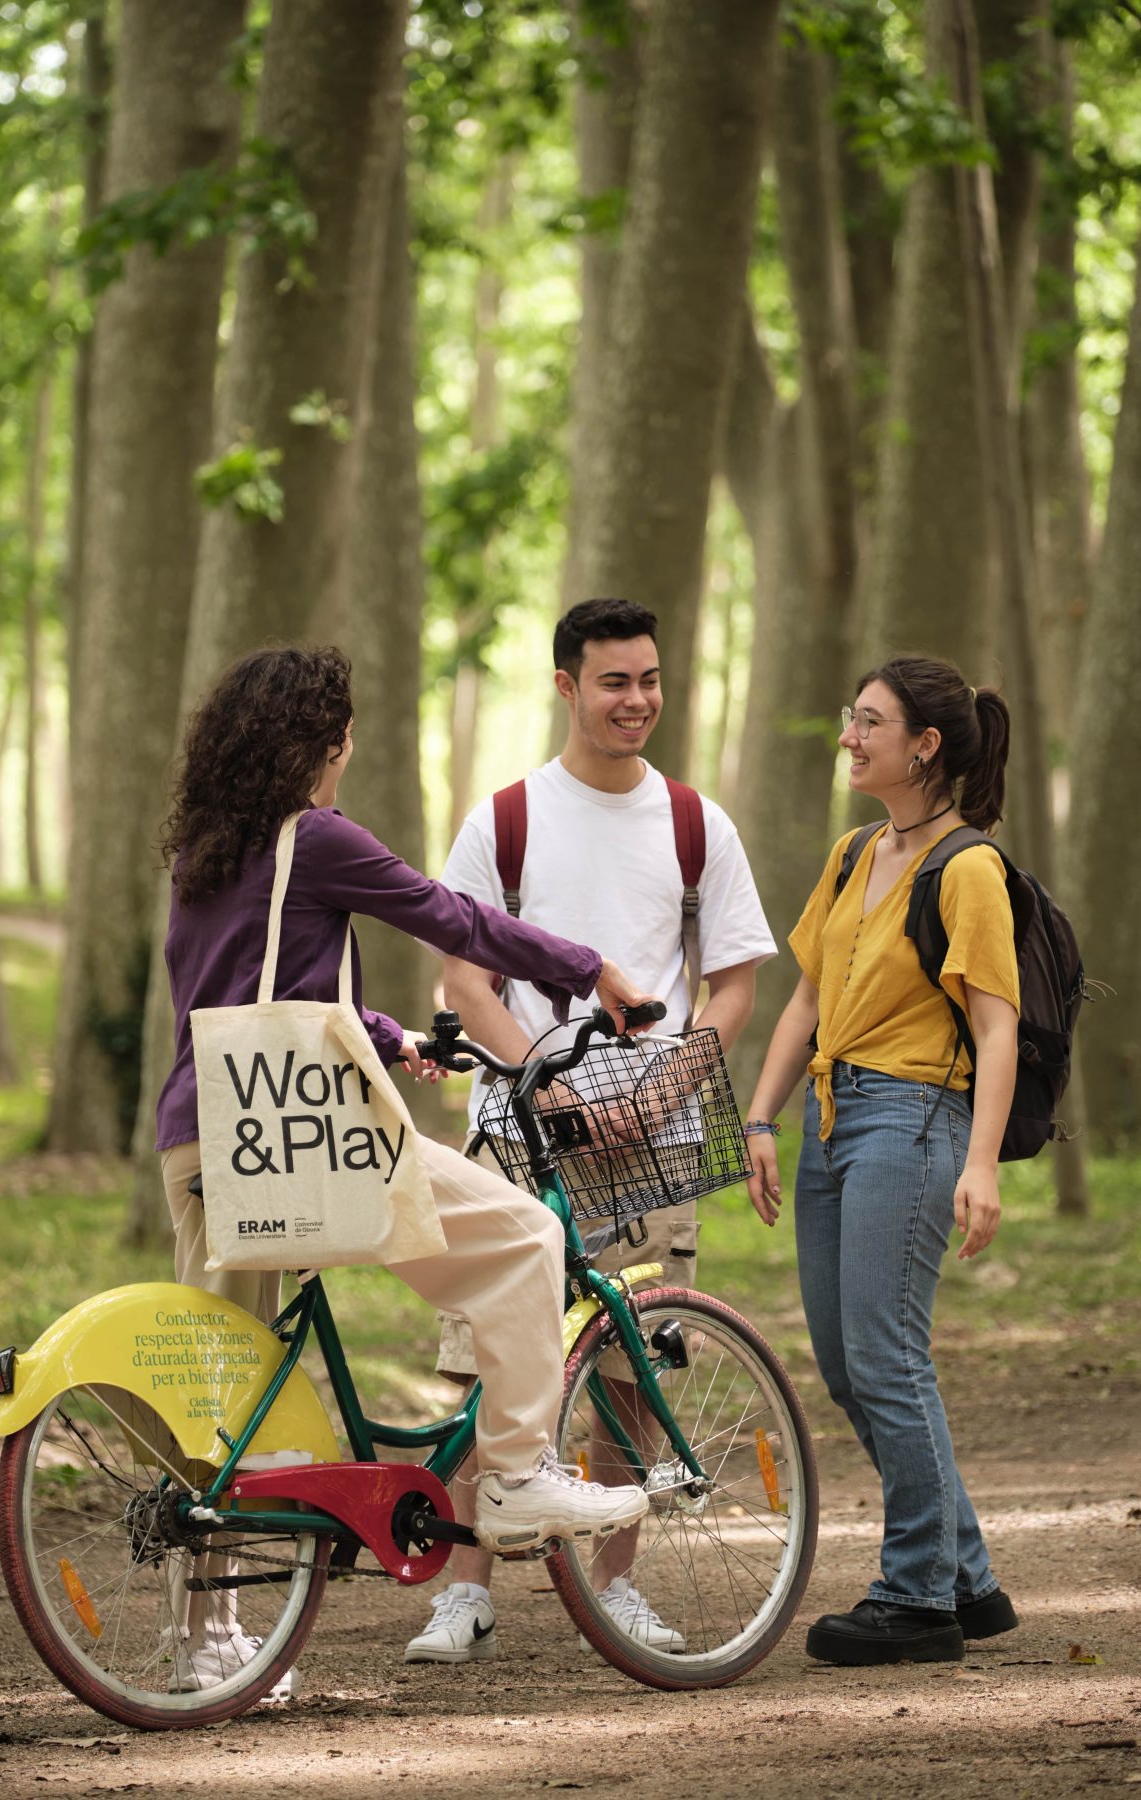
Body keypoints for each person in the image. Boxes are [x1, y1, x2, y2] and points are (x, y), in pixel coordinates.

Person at [155, 644, 658, 1694]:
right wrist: (589, 970)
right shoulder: (316, 836)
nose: (347, 753)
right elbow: (449, 916)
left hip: (207, 1134)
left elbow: (255, 992)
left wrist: (390, 1037)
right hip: (313, 1138)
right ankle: (516, 1475)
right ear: (320, 743)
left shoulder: (207, 852)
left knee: (223, 1379)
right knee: (525, 1236)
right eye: (343, 736)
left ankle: (205, 1639)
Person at [404, 597, 775, 1666]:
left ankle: (618, 1587)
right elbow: (465, 983)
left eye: (649, 679)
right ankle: (464, 1591)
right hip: (521, 1133)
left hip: (657, 1140)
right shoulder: (507, 819)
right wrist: (550, 1092)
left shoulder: (697, 824)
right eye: (615, 681)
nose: (637, 700)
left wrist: (663, 1094)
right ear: (567, 685)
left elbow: (735, 984)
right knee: (486, 1358)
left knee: (633, 1361)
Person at [743, 653, 1021, 1667]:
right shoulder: (855, 851)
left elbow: (996, 1026)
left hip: (913, 1118)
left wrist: (981, 1164)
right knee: (847, 1362)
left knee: (887, 1357)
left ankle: (917, 1598)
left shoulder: (969, 868)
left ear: (924, 745)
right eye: (850, 717)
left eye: (869, 722)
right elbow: (808, 1000)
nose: (850, 737)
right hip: (831, 1116)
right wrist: (761, 1119)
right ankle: (967, 1576)